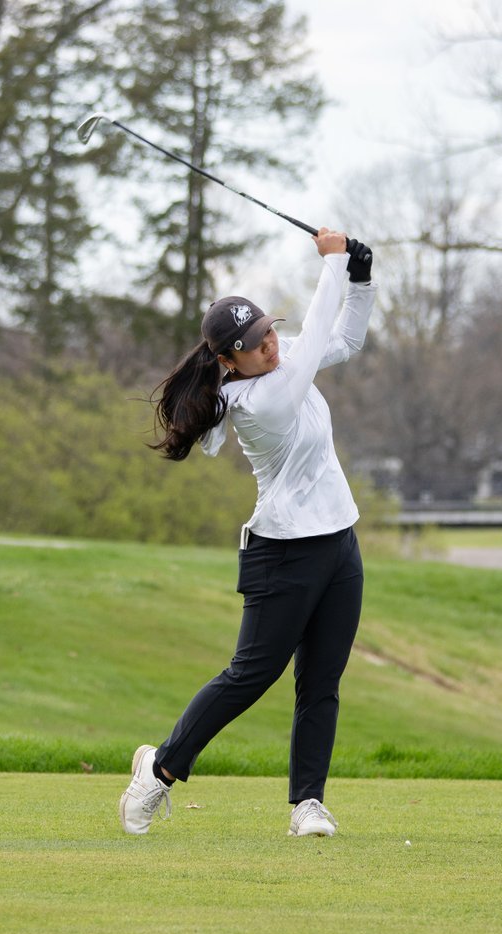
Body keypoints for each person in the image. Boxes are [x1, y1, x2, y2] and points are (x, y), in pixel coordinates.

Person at [119, 227, 376, 838]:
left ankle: (307, 804)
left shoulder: (280, 361)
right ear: (227, 360)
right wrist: (335, 262)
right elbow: (318, 334)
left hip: (338, 541)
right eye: (255, 345)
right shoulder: (261, 401)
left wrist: (361, 278)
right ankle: (158, 769)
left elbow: (344, 338)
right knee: (250, 676)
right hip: (282, 554)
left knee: (322, 681)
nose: (270, 347)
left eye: (268, 333)